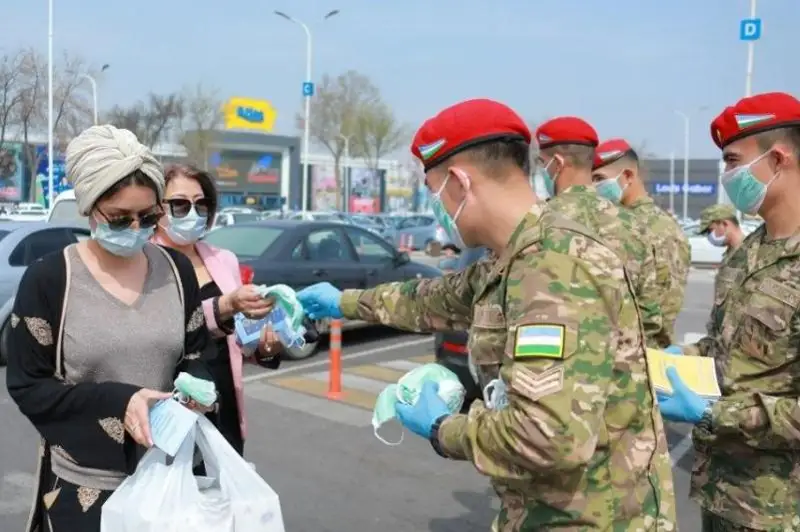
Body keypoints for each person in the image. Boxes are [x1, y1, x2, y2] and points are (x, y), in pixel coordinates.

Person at [297, 98, 676, 530]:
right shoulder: (516, 254)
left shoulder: (551, 266)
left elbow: (547, 438)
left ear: (460, 182)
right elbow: (432, 299)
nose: (437, 207)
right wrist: (341, 302)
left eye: (434, 191)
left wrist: (442, 428)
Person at [5, 125, 217, 532]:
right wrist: (121, 401)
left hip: (170, 482)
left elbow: (197, 354)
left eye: (149, 217)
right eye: (120, 219)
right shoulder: (51, 279)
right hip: (87, 491)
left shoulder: (176, 272)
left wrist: (198, 387)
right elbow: (29, 386)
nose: (136, 229)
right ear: (90, 208)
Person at [656, 91, 800, 531]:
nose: (727, 176)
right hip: (722, 493)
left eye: (733, 162)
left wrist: (715, 414)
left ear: (777, 160)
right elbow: (728, 348)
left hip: (781, 509)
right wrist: (680, 358)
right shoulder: (747, 254)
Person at [153, 163, 281, 455]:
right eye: (180, 205)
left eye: (201, 205)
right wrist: (225, 305)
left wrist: (265, 348)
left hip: (223, 404)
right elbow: (167, 325)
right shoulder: (145, 261)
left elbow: (239, 338)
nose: (193, 213)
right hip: (170, 408)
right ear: (156, 209)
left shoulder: (224, 259)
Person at [534, 118, 666, 347]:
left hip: (558, 362)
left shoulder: (538, 221)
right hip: (623, 363)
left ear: (557, 163)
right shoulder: (634, 225)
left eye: (542, 163)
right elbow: (650, 316)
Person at [591, 138, 690, 347]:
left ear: (628, 176)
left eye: (599, 179)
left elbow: (656, 306)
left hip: (636, 349)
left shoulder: (631, 227)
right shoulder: (665, 224)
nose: (594, 187)